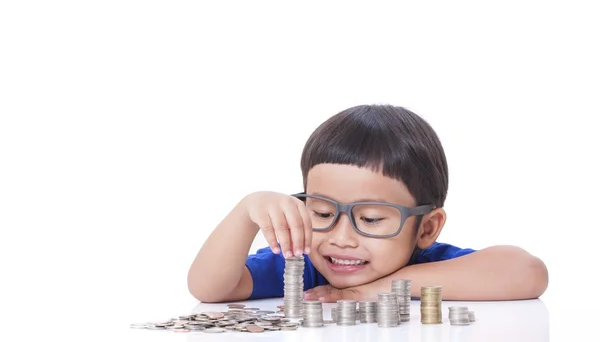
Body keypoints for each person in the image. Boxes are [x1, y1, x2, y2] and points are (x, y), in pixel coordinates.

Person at [187, 104, 548, 303]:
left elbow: (529, 272)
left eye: (372, 219)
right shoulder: (303, 269)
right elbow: (209, 289)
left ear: (426, 228)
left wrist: (380, 288)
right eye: (323, 213)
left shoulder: (432, 265)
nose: (341, 238)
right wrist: (244, 212)